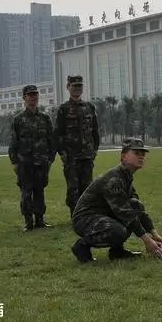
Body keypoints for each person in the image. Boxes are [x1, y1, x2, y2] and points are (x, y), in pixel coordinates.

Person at [69, 137, 162, 263]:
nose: (141, 157)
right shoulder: (114, 179)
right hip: (85, 219)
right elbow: (124, 212)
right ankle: (82, 246)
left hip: (102, 214)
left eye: (143, 154)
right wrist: (147, 240)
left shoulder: (126, 177)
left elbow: (135, 209)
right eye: (136, 153)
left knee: (135, 205)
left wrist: (154, 233)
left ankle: (117, 251)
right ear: (123, 157)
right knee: (118, 230)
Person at [8, 84, 56, 231]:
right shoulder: (18, 120)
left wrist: (50, 160)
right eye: (30, 95)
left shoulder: (45, 118)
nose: (33, 97)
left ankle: (40, 220)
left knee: (40, 192)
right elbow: (13, 142)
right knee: (26, 193)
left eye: (35, 94)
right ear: (24, 98)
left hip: (42, 162)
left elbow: (51, 140)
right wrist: (14, 162)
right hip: (25, 163)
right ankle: (28, 222)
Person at [55, 75, 100, 216]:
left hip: (87, 155)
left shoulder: (89, 107)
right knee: (73, 188)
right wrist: (62, 153)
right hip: (71, 157)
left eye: (80, 86)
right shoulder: (63, 109)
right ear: (68, 87)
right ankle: (75, 215)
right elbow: (58, 134)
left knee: (87, 188)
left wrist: (94, 151)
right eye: (74, 86)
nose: (77, 88)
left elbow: (95, 132)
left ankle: (86, 215)